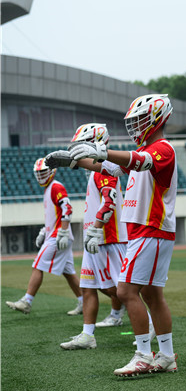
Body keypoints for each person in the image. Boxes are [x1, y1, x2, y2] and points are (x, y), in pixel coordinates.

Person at [50, 94, 178, 376]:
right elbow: (107, 166)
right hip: (146, 231)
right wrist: (74, 161)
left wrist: (102, 151)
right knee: (152, 295)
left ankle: (143, 354)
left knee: (125, 291)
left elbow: (139, 161)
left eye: (140, 119)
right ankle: (166, 355)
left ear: (158, 118)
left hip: (150, 229)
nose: (136, 125)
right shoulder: (145, 150)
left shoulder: (162, 149)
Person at [50, 123, 128, 350]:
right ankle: (87, 335)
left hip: (109, 238)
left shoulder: (104, 169)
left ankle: (151, 322)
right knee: (88, 287)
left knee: (122, 290)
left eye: (82, 145)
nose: (78, 150)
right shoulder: (96, 170)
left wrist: (96, 229)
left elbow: (109, 200)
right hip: (96, 238)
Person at [5, 158, 82, 315]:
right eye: (38, 173)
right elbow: (53, 216)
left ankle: (27, 301)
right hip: (55, 234)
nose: (40, 176)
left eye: (43, 172)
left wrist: (63, 231)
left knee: (38, 265)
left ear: (52, 171)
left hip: (58, 236)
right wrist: (43, 231)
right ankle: (84, 302)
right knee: (68, 272)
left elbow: (67, 208)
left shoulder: (55, 187)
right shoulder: (49, 189)